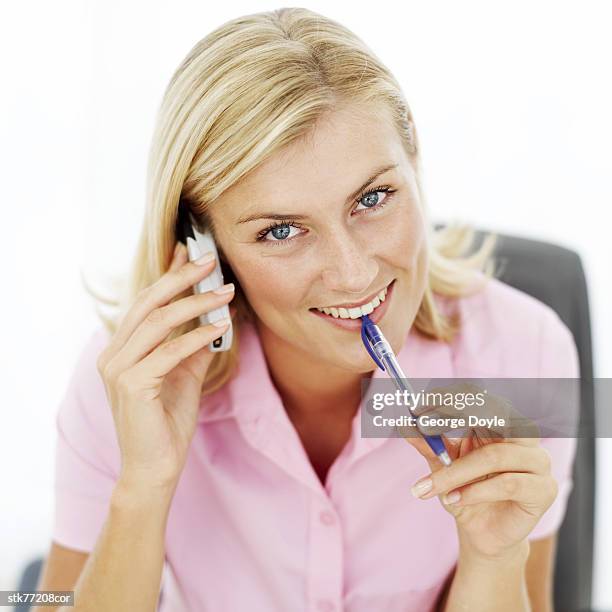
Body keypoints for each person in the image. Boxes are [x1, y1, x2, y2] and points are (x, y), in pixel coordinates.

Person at [35, 8, 579, 612]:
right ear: (204, 249)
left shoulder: (525, 353)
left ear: (414, 163)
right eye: (281, 231)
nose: (354, 274)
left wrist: (492, 557)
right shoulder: (132, 384)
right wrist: (141, 488)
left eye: (373, 198)